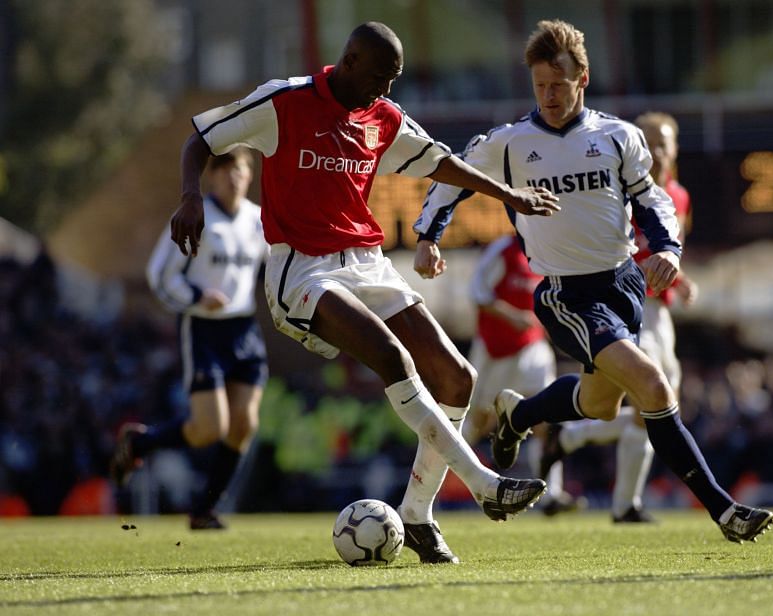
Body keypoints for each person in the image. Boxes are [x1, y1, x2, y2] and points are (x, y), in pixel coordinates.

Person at [167, 22, 561, 563]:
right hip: (303, 271)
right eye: (380, 76)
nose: (388, 90)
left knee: (457, 376)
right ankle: (483, 482)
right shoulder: (284, 101)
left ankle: (418, 517)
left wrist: (508, 194)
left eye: (394, 79)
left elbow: (439, 161)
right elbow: (201, 139)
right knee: (392, 357)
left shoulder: (383, 116)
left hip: (369, 264)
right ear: (349, 61)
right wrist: (190, 196)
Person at [413, 19, 773, 543]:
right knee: (652, 385)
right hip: (566, 294)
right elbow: (451, 175)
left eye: (558, 85)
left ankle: (520, 414)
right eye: (540, 86)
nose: (549, 96)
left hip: (624, 286)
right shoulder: (511, 143)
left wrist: (669, 251)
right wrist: (427, 235)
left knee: (603, 404)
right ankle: (725, 511)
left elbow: (652, 201)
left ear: (582, 78)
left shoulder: (617, 136)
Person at [537, 111, 699, 523]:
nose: (657, 152)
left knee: (656, 407)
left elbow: (663, 251)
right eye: (649, 142)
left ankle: (576, 440)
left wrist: (680, 280)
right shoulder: (617, 188)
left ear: (676, 149)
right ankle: (624, 501)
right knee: (656, 403)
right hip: (624, 309)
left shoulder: (678, 196)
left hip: (660, 311)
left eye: (664, 143)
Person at [110, 147, 269, 530]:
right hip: (203, 329)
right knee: (208, 429)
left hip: (244, 329)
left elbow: (274, 268)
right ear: (211, 176)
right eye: (225, 169)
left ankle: (205, 509)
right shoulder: (196, 217)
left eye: (241, 169)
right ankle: (139, 444)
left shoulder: (259, 221)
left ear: (250, 176)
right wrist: (198, 298)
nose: (233, 177)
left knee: (244, 425)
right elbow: (160, 274)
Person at [463, 234, 582, 516]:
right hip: (495, 352)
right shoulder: (503, 250)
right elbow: (477, 293)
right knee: (478, 422)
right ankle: (436, 485)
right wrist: (512, 316)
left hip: (532, 347)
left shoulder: (550, 251)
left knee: (547, 419)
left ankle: (552, 495)